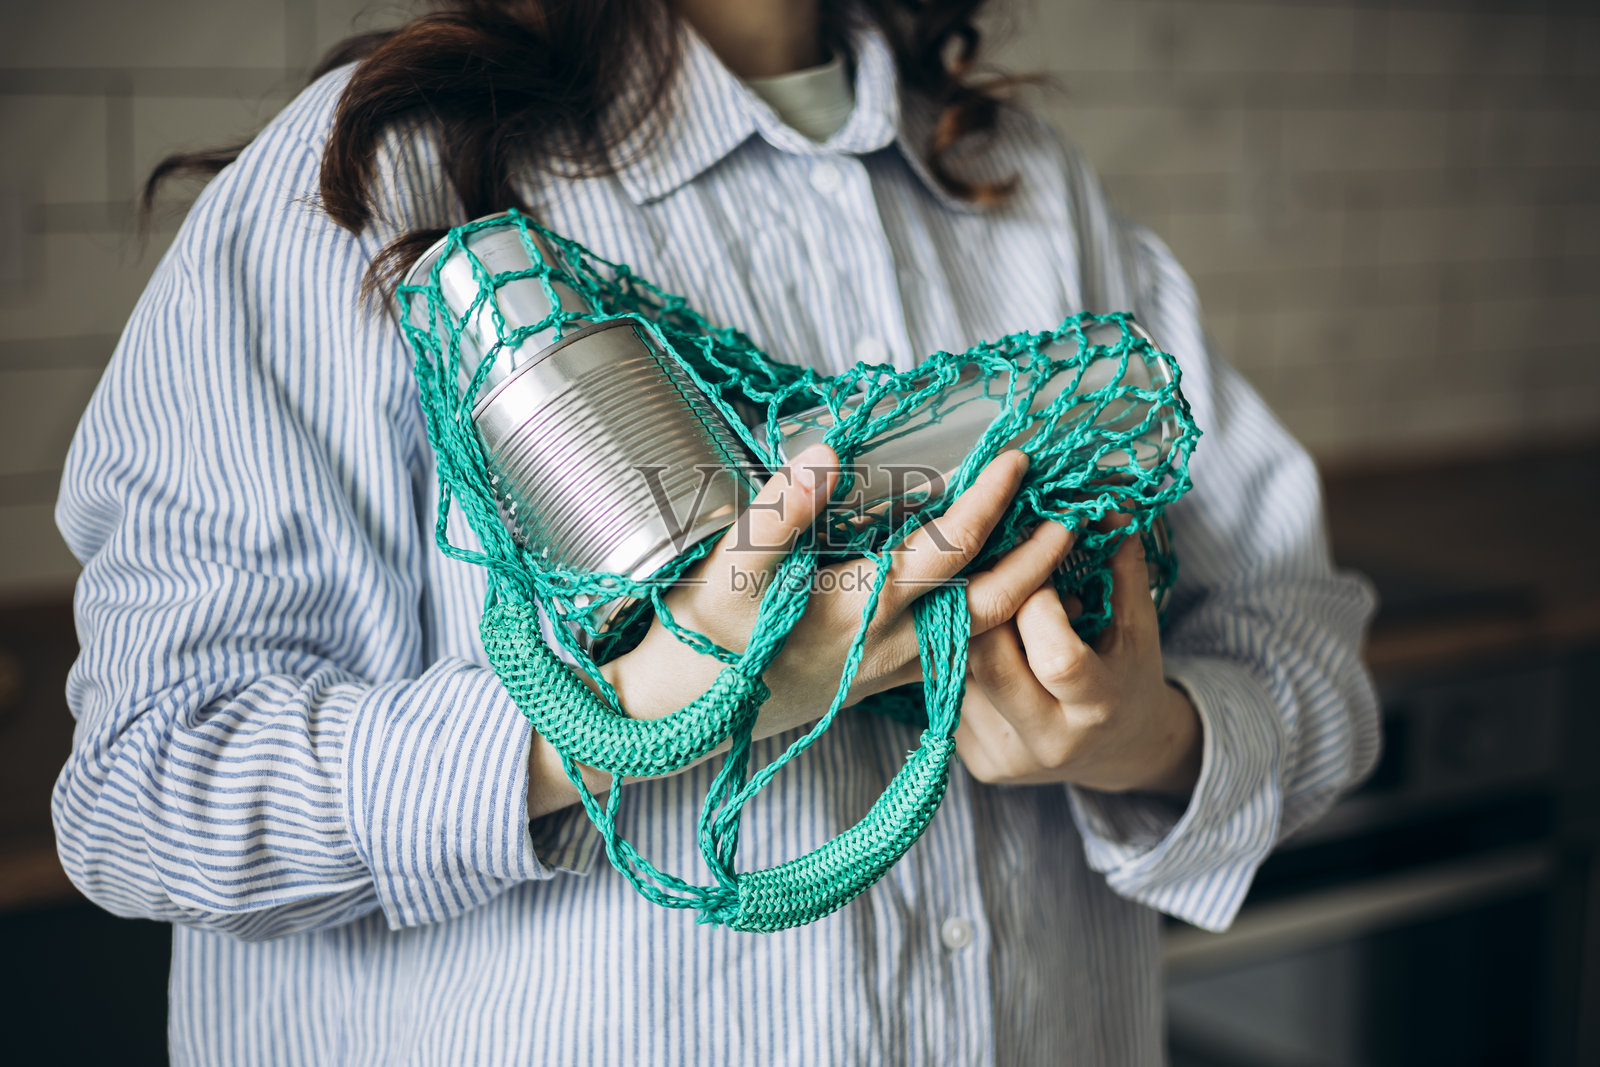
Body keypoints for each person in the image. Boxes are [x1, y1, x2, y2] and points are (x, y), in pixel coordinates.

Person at [53, 0, 1381, 1062]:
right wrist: (641, 703)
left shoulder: (1024, 185)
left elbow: (1304, 641)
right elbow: (142, 797)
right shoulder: (380, 177)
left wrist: (1146, 739)